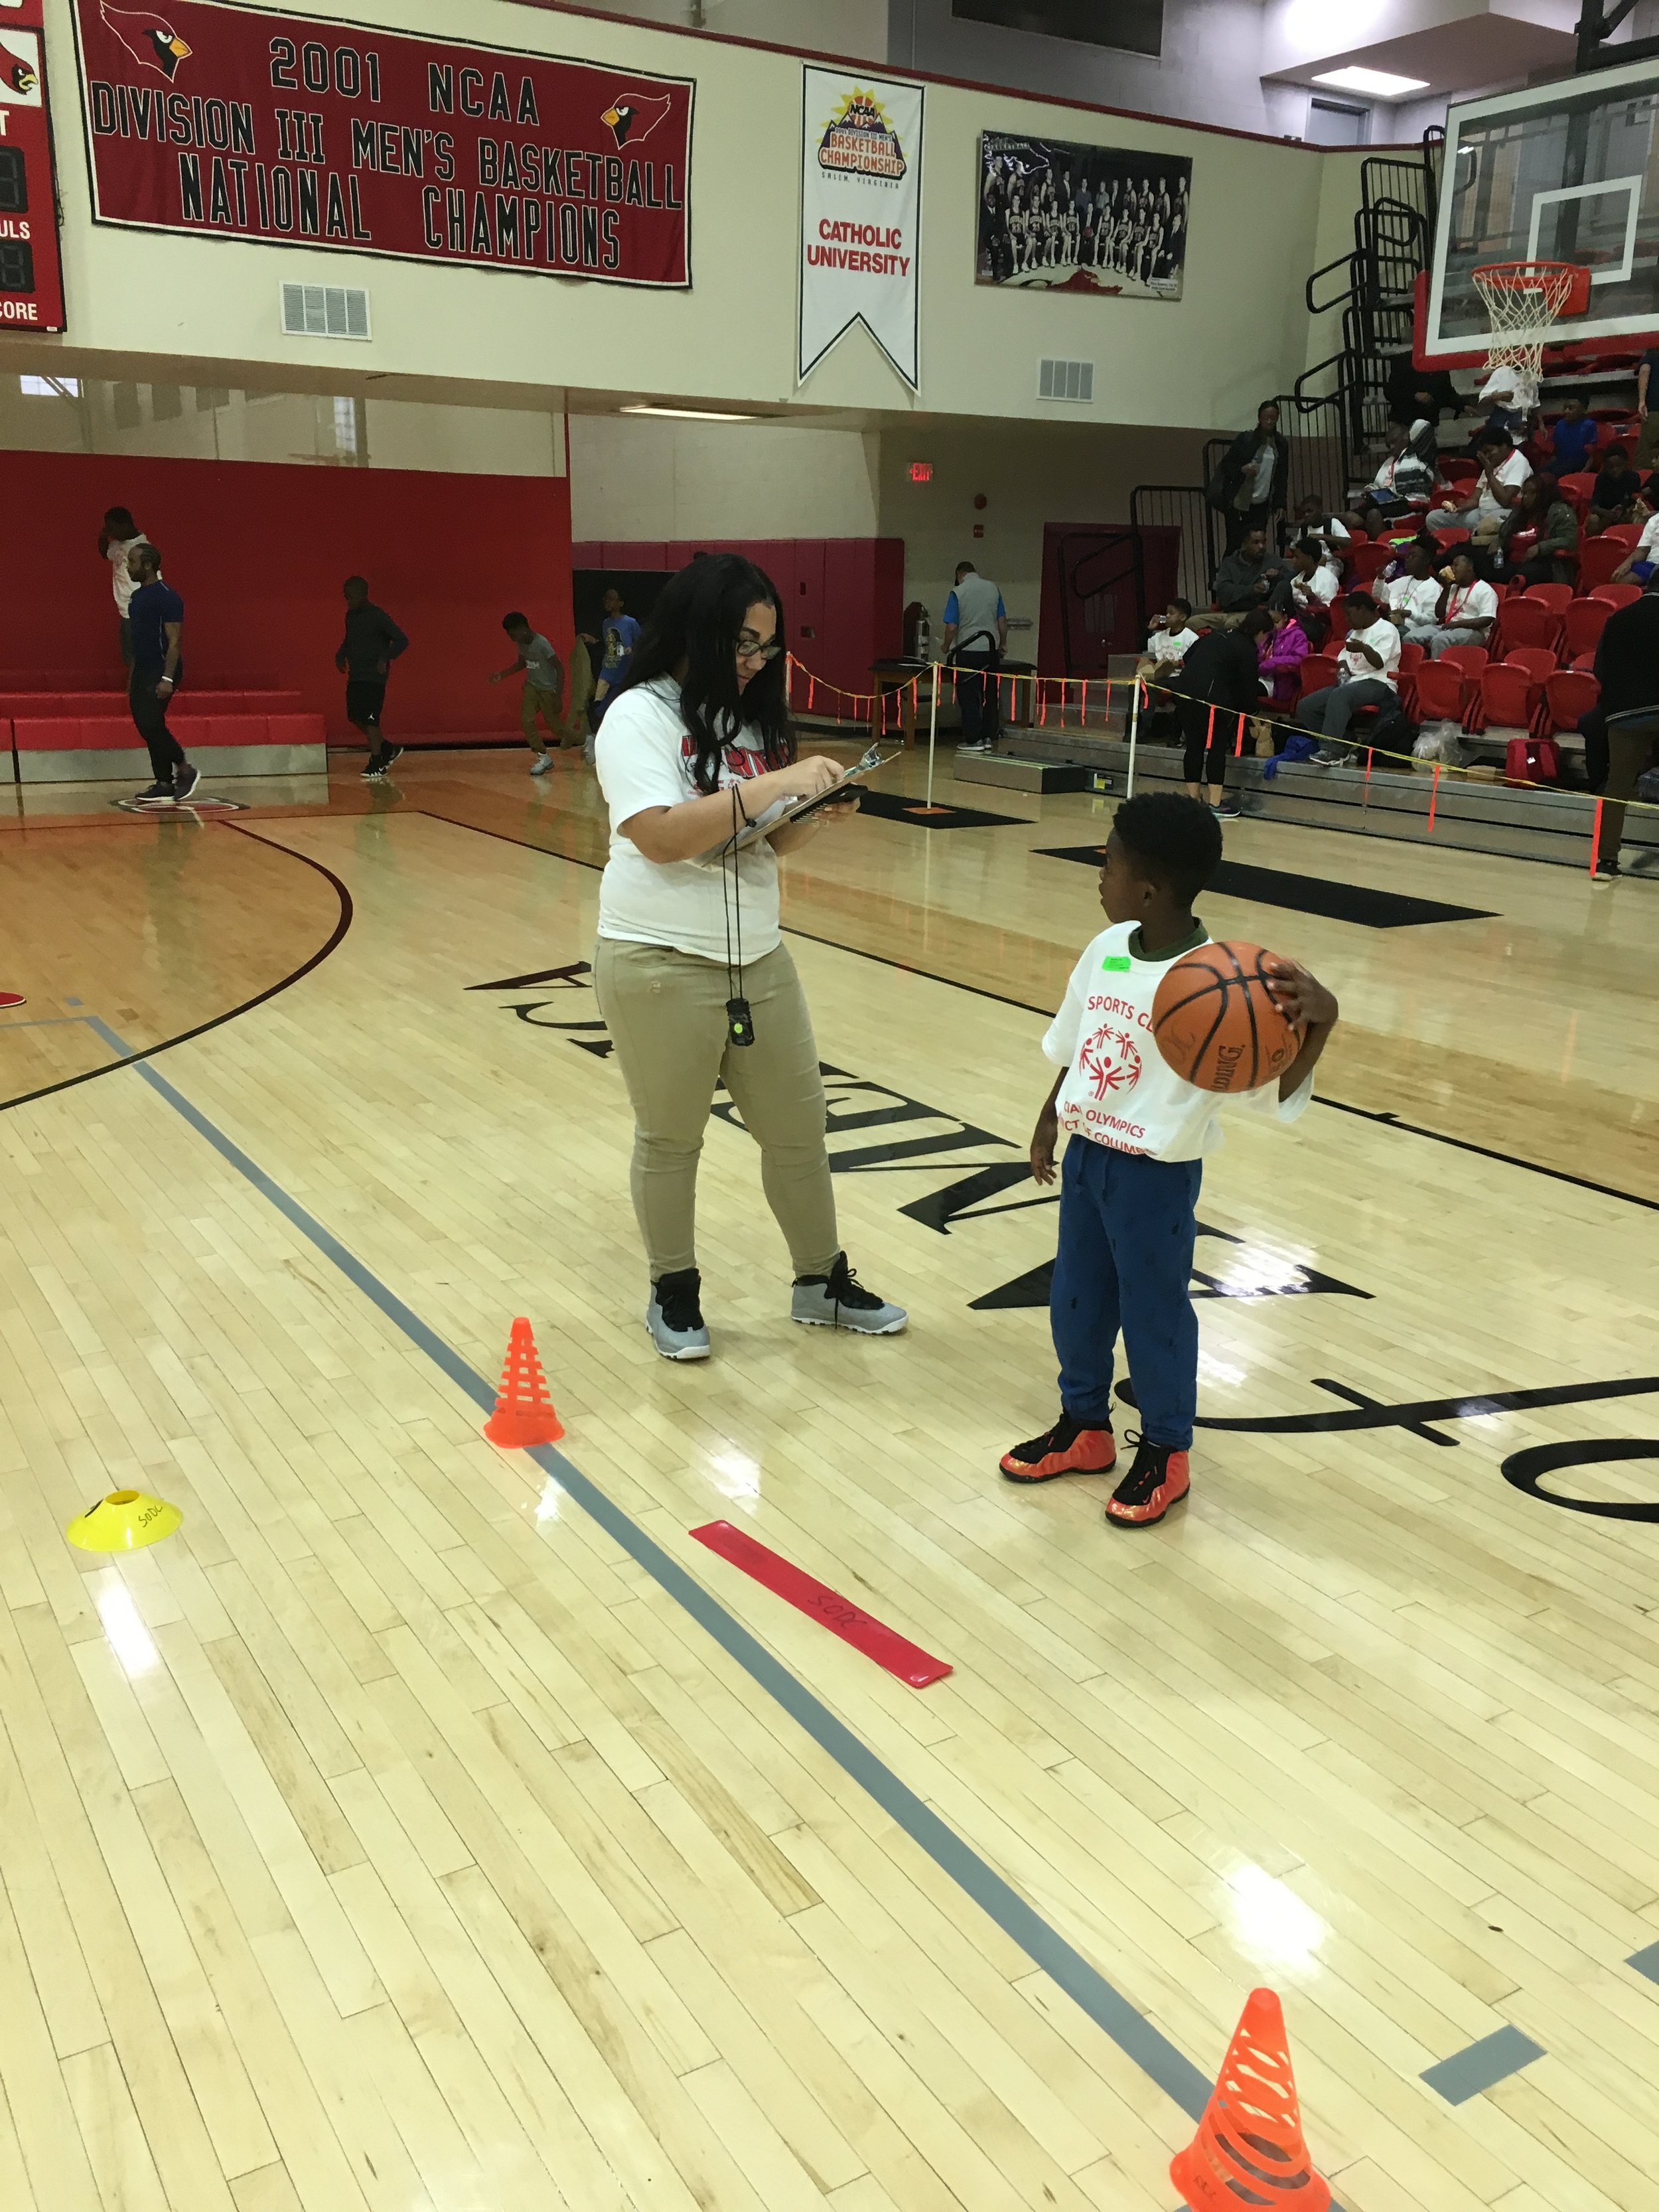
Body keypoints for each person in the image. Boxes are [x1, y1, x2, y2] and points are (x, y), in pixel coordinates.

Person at [593, 553, 906, 1358]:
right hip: (659, 958)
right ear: (695, 626)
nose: (753, 660)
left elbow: (756, 838)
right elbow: (661, 838)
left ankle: (818, 1282)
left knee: (800, 1129)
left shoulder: (754, 719)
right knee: (671, 1137)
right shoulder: (637, 715)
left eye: (765, 647)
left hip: (757, 958)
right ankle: (675, 1292)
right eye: (741, 642)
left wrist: (806, 812)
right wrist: (771, 787)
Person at [996, 794, 1337, 1525]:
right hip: (1087, 1155)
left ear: (1147, 888)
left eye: (1109, 860)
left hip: (1154, 1175)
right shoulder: (1106, 948)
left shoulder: (1231, 984)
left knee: (1154, 1315)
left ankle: (1165, 1451)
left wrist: (1320, 1024)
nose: (1099, 870)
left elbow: (1272, 1096)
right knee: (1075, 1304)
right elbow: (1077, 1045)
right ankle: (1084, 1428)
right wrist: (1048, 1120)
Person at [1585, 589, 1659, 879]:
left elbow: (1599, 669)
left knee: (1617, 787)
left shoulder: (1617, 620)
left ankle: (1606, 862)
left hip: (1624, 716)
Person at [1175, 607, 1271, 816]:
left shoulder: (1216, 635)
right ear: (1261, 632)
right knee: (1216, 747)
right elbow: (1248, 687)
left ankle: (1193, 801)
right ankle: (1216, 805)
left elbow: (1188, 655)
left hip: (1184, 693)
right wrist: (1253, 712)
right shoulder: (1247, 649)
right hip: (1211, 701)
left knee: (1194, 746)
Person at [125, 542, 198, 806]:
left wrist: (167, 678)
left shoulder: (167, 596)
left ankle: (185, 768)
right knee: (146, 725)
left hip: (161, 669)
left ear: (147, 565)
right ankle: (165, 783)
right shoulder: (136, 597)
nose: (128, 566)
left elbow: (174, 641)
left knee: (151, 722)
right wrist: (132, 676)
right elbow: (137, 640)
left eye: (132, 561)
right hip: (142, 670)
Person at [1295, 589, 1400, 763]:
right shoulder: (1354, 632)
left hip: (1379, 682)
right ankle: (1347, 741)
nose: (1347, 620)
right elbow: (1343, 657)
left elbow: (1379, 663)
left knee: (1340, 695)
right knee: (1306, 706)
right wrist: (1342, 667)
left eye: (1350, 615)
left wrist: (1364, 649)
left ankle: (1331, 751)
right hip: (1353, 682)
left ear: (1362, 609)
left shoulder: (1387, 630)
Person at [336, 577, 409, 781]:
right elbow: (349, 639)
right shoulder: (351, 616)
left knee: (370, 719)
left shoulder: (378, 616)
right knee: (355, 716)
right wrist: (341, 655)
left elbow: (402, 640)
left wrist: (385, 657)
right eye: (346, 598)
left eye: (350, 597)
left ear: (362, 594)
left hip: (374, 677)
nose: (348, 601)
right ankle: (387, 748)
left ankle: (377, 762)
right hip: (357, 674)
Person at [942, 561, 1007, 755]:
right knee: (989, 696)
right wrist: (1003, 644)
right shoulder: (993, 589)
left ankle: (973, 739)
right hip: (990, 651)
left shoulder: (958, 592)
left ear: (959, 574)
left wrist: (946, 646)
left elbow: (952, 627)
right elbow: (1002, 621)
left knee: (969, 697)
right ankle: (988, 736)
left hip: (968, 651)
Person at [490, 613, 567, 774]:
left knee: (556, 727)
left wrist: (558, 696)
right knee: (527, 721)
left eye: (513, 634)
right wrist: (501, 675)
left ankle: (585, 739)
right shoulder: (521, 644)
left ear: (523, 629)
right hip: (532, 687)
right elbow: (521, 663)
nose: (512, 638)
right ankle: (543, 757)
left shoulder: (542, 643)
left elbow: (559, 668)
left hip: (548, 690)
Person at [1426, 431, 1531, 546]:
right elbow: (1475, 499)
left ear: (1504, 446)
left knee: (1482, 530)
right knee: (1433, 518)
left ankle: (1466, 549)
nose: (1487, 456)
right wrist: (1461, 506)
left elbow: (1505, 501)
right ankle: (1454, 549)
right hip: (1479, 513)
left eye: (1490, 451)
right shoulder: (1492, 463)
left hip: (1502, 515)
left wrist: (1490, 474)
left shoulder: (1518, 462)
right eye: (1484, 453)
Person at [1210, 402, 1289, 554]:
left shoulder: (1280, 444)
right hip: (1240, 501)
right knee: (1235, 544)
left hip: (1262, 502)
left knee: (1257, 546)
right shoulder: (1246, 439)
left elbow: (1281, 475)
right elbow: (1227, 464)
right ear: (1259, 418)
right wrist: (1242, 470)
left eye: (1273, 418)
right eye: (1266, 418)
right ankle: (1230, 576)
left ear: (1278, 418)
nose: (1269, 422)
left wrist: (1280, 503)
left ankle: (1254, 577)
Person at [1352, 421, 1437, 535]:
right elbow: (1377, 484)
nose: (1391, 448)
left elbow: (1424, 426)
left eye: (1394, 442)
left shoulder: (1419, 454)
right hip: (1387, 502)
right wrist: (1370, 490)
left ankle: (1381, 550)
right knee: (1349, 517)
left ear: (1407, 436)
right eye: (1388, 445)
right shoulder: (1389, 462)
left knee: (1374, 514)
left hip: (1410, 504)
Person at [1413, 548, 1498, 658]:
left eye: (1456, 565)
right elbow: (1439, 614)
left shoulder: (1484, 589)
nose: (1452, 569)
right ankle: (1420, 669)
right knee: (1411, 636)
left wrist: (1457, 624)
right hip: (1449, 627)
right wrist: (1446, 588)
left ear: (1469, 567)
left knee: (1440, 640)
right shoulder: (1453, 588)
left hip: (1474, 632)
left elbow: (1487, 619)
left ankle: (1437, 673)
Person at [1495, 474, 1578, 587]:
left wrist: (1540, 547)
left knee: (1524, 573)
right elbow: (1505, 532)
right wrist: (1498, 542)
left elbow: (1570, 541)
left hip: (1545, 563)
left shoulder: (1560, 511)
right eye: (1525, 493)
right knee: (1485, 563)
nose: (1526, 497)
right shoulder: (1521, 511)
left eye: (1532, 493)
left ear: (1544, 493)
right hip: (1512, 558)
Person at [98, 505, 150, 668]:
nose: (111, 533)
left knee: (139, 652)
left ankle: (139, 688)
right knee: (128, 653)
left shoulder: (141, 548)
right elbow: (105, 553)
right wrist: (102, 537)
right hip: (124, 608)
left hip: (137, 607)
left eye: (113, 528)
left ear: (125, 525)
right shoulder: (118, 544)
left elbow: (152, 579)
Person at [590, 585, 642, 743]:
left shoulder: (630, 622)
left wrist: (631, 650)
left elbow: (640, 643)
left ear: (621, 603)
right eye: (605, 599)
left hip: (623, 672)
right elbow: (607, 645)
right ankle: (598, 737)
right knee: (598, 704)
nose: (607, 602)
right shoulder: (606, 623)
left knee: (612, 704)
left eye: (611, 599)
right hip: (608, 670)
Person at [1211, 526, 1285, 614]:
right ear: (1244, 544)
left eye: (1264, 542)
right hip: (1228, 612)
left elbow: (1289, 581)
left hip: (1257, 614)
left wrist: (1278, 576)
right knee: (1195, 622)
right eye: (1256, 542)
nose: (1261, 546)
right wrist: (1252, 590)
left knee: (1231, 623)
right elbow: (1223, 591)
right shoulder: (1229, 563)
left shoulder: (1273, 561)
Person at [1385, 540, 1447, 638]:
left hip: (1412, 631)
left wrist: (1410, 614)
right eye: (1408, 555)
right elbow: (1380, 596)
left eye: (1413, 556)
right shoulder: (1402, 581)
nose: (1407, 559)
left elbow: (1431, 621)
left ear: (1426, 560)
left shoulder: (1434, 588)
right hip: (1392, 625)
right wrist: (1380, 578)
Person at [1257, 601, 1311, 711]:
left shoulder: (1297, 635)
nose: (1273, 626)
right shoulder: (1268, 634)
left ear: (1285, 617)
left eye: (1276, 621)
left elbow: (1299, 659)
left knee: (1246, 690)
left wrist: (1271, 663)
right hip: (1260, 676)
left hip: (1279, 684)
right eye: (1270, 622)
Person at [1586, 445, 1644, 534]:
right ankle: (1595, 543)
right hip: (1605, 515)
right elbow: (1594, 506)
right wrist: (1608, 513)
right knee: (1593, 519)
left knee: (1638, 518)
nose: (1615, 470)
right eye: (1611, 467)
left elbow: (1637, 501)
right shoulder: (1602, 478)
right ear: (1605, 466)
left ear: (1626, 464)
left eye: (1619, 466)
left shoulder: (1633, 478)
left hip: (1626, 514)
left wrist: (1625, 510)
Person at [1611, 490, 1659, 585]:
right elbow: (1642, 550)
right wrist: (1627, 563)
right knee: (1620, 579)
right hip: (1652, 565)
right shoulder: (1655, 520)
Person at [1544, 394, 1599, 477]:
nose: (1567, 411)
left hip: (1578, 463)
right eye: (1565, 408)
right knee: (1540, 474)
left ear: (1583, 410)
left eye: (1571, 408)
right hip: (1560, 461)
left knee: (1555, 474)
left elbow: (1592, 455)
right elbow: (1556, 451)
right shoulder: (1560, 424)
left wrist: (1584, 472)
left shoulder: (1589, 425)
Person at [1636, 344, 1659, 470]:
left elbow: (1645, 370)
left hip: (1655, 410)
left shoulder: (1651, 357)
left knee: (1647, 455)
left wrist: (1642, 401)